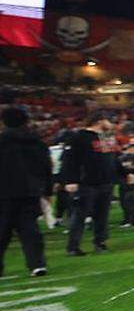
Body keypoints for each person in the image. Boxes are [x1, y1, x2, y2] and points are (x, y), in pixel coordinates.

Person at [0, 107, 50, 277]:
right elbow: (46, 167)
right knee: (30, 229)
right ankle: (37, 264)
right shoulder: (37, 142)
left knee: (2, 230)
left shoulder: (2, 141)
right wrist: (47, 190)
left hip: (4, 192)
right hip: (30, 191)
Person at [60, 111, 118, 256]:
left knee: (102, 215)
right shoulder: (79, 137)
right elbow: (69, 160)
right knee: (80, 215)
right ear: (100, 121)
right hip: (86, 183)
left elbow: (111, 159)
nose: (111, 124)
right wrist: (70, 180)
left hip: (105, 182)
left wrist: (124, 173)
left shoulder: (105, 137)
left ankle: (100, 242)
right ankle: (73, 247)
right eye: (109, 121)